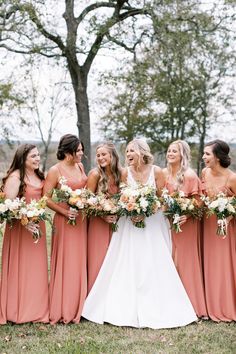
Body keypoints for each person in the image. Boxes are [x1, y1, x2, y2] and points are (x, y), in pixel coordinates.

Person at [82, 138, 197, 329]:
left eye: (131, 151)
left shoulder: (157, 171)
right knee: (128, 261)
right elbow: (122, 198)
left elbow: (162, 199)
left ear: (142, 153)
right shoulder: (125, 173)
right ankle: (125, 306)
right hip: (130, 224)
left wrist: (147, 210)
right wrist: (132, 210)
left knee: (154, 262)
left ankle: (158, 305)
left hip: (153, 223)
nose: (127, 155)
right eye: (126, 152)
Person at [0, 144, 49, 324]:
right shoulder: (15, 177)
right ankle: (18, 311)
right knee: (21, 268)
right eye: (33, 157)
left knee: (36, 269)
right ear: (23, 159)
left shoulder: (38, 174)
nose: (37, 159)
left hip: (37, 227)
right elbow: (6, 208)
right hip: (21, 230)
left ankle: (37, 309)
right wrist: (24, 221)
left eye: (38, 155)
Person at [43, 134, 87, 324]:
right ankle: (64, 306)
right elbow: (46, 198)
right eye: (78, 150)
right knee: (66, 262)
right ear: (68, 152)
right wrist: (63, 212)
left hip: (81, 221)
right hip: (64, 221)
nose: (81, 153)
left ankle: (81, 305)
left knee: (79, 262)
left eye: (81, 149)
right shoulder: (55, 170)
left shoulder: (80, 166)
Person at [163, 140, 207, 318]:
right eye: (169, 150)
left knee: (186, 263)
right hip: (166, 224)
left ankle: (192, 306)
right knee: (169, 261)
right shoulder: (163, 173)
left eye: (175, 151)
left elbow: (199, 201)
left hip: (185, 225)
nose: (170, 153)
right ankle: (170, 303)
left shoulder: (189, 175)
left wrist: (186, 215)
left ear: (183, 155)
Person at [202, 139, 236, 321]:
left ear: (217, 157)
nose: (203, 157)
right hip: (206, 226)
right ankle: (208, 306)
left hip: (224, 228)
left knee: (222, 266)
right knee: (208, 264)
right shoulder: (204, 173)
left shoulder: (232, 178)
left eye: (207, 154)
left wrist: (229, 216)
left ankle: (225, 306)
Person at [87, 142, 123, 292]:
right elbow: (87, 201)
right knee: (99, 260)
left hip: (118, 223)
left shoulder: (121, 173)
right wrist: (103, 216)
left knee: (115, 259)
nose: (100, 158)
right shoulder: (95, 174)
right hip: (98, 224)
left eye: (104, 154)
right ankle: (94, 297)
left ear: (112, 156)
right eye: (98, 155)